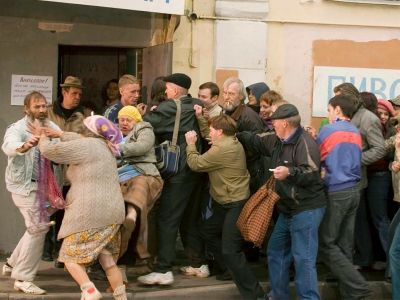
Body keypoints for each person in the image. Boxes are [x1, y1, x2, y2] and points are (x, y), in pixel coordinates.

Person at [237, 104, 326, 300]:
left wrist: (289, 172)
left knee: (304, 259)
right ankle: (278, 295)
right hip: (287, 210)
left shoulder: (305, 142)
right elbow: (254, 140)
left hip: (306, 209)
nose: (272, 125)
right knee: (276, 251)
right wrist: (233, 131)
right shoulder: (276, 139)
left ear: (285, 123)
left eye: (274, 122)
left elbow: (312, 173)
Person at [37, 115, 127, 300]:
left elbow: (50, 151)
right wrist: (60, 133)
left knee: (69, 257)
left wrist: (41, 136)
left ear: (87, 132)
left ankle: (90, 291)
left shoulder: (86, 147)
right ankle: (121, 297)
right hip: (113, 214)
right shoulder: (105, 147)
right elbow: (79, 141)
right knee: (108, 260)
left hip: (90, 214)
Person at [185, 115, 265, 299]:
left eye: (212, 130)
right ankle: (229, 269)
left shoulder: (223, 148)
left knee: (231, 251)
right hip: (226, 201)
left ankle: (256, 295)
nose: (209, 134)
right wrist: (203, 122)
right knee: (207, 230)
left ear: (220, 132)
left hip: (234, 204)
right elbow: (209, 135)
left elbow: (195, 164)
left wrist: (190, 144)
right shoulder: (229, 139)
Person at [137, 73, 204, 285]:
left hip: (177, 171)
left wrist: (143, 112)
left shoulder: (169, 107)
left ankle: (163, 269)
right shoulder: (197, 105)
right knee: (189, 218)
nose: (165, 93)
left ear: (174, 91)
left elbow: (147, 124)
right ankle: (198, 264)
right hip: (195, 169)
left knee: (167, 218)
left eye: (167, 89)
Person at [1, 91, 61, 295]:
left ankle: (11, 264)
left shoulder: (50, 126)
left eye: (44, 106)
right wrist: (25, 145)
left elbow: (61, 145)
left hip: (44, 186)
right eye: (37, 106)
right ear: (27, 109)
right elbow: (8, 146)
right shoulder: (17, 128)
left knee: (35, 226)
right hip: (23, 185)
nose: (42, 110)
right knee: (38, 226)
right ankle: (22, 278)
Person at [317, 94, 371, 299]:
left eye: (329, 110)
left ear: (338, 110)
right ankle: (350, 294)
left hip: (336, 190)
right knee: (345, 242)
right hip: (354, 190)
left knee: (326, 243)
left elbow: (317, 156)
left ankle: (357, 285)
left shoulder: (329, 130)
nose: (328, 114)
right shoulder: (355, 131)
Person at [334, 83, 386, 269]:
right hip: (342, 179)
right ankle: (361, 258)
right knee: (355, 222)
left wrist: (356, 160)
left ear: (349, 98)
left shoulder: (368, 118)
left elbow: (379, 149)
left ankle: (365, 260)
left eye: (339, 98)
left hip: (356, 178)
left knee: (358, 222)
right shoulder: (346, 115)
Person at [46, 75, 92, 267]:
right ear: (64, 92)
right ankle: (47, 250)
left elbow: (90, 139)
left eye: (80, 93)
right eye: (74, 93)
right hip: (52, 170)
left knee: (71, 215)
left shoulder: (85, 114)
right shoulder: (49, 112)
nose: (77, 97)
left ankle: (64, 255)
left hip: (74, 172)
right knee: (49, 213)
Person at [116, 105, 164, 263]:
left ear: (136, 120)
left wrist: (118, 149)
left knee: (140, 185)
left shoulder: (144, 128)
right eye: (121, 119)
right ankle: (121, 256)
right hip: (120, 178)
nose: (124, 123)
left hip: (142, 172)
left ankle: (132, 214)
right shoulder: (115, 135)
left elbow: (142, 146)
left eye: (128, 120)